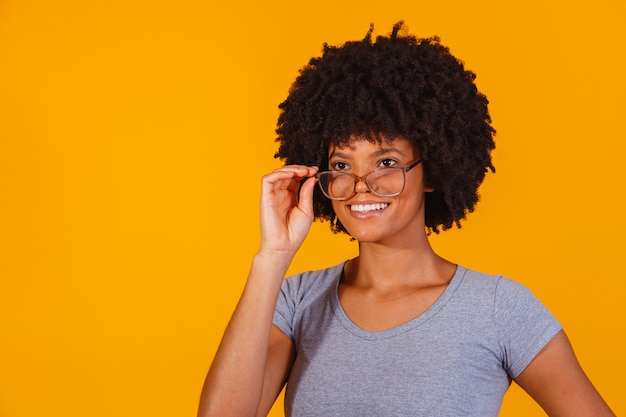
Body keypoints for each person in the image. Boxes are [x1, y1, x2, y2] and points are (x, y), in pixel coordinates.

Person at [198, 22, 614, 417]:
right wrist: (272, 256)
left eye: (386, 161)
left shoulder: (499, 310)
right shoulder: (296, 302)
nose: (360, 184)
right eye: (341, 164)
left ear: (431, 172)